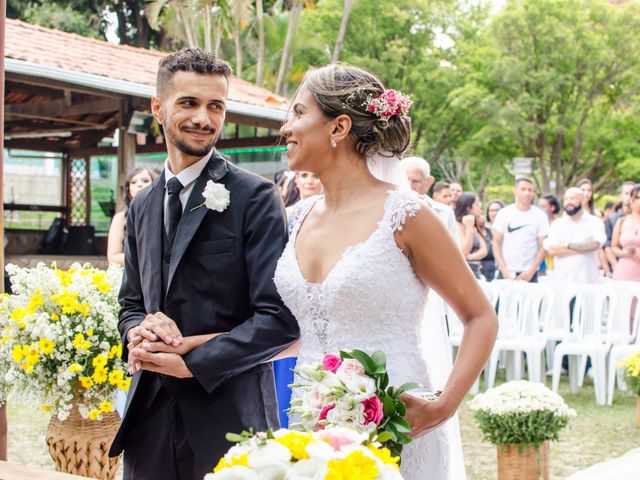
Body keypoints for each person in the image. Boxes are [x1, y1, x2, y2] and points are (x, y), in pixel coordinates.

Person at [275, 63, 497, 479]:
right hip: (307, 418)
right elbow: (272, 325)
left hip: (396, 422)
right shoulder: (294, 218)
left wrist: (443, 404)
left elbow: (481, 317)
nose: (286, 128)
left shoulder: (407, 214)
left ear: (338, 127)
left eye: (298, 113)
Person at [107, 48, 300, 480]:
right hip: (148, 419)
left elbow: (279, 318)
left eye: (216, 106)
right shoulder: (142, 205)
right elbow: (130, 304)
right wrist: (136, 332)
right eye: (189, 103)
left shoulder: (256, 198)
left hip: (230, 420)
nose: (204, 118)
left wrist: (193, 362)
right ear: (158, 107)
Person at [492, 177, 549, 282]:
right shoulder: (504, 213)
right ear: (515, 190)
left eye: (531, 190)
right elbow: (496, 242)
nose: (527, 193)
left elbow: (543, 246)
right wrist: (504, 270)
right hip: (506, 273)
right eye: (523, 189)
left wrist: (531, 271)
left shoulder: (540, 216)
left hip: (530, 274)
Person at [543, 188, 606, 284]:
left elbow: (595, 245)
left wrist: (566, 245)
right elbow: (551, 250)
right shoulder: (558, 224)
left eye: (572, 198)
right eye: (566, 199)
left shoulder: (595, 222)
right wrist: (584, 249)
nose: (568, 202)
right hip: (562, 283)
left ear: (583, 200)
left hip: (587, 283)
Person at [107, 166, 156, 266]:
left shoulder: (164, 213)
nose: (139, 185)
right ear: (128, 189)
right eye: (133, 182)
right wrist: (145, 257)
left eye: (145, 181)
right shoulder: (120, 218)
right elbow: (113, 257)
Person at [400, 156, 457, 237]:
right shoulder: (384, 209)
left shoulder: (445, 212)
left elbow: (455, 248)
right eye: (404, 180)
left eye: (416, 181)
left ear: (429, 182)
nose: (409, 186)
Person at [611, 185, 640, 282]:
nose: (639, 202)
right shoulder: (621, 221)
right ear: (631, 200)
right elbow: (613, 247)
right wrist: (624, 253)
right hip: (624, 271)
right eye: (637, 198)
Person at [455, 193, 487, 279]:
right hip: (463, 274)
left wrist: (470, 257)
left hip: (476, 272)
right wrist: (469, 228)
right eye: (476, 204)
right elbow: (464, 251)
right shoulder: (457, 225)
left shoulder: (474, 224)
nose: (480, 206)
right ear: (468, 208)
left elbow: (484, 250)